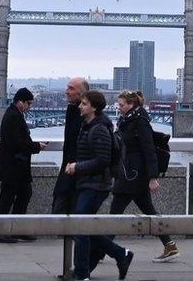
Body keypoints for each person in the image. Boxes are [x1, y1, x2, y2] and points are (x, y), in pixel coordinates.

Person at [65, 90, 133, 281]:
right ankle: (121, 254)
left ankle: (82, 273)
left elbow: (102, 160)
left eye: (84, 104)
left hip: (96, 185)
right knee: (84, 227)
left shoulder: (99, 129)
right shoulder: (88, 126)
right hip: (89, 183)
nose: (80, 106)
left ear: (94, 108)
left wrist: (77, 166)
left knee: (81, 227)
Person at [109, 90, 179, 262]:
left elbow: (149, 150)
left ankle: (100, 249)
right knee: (148, 211)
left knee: (114, 212)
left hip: (133, 175)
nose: (119, 108)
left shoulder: (139, 121)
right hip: (130, 173)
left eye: (122, 104)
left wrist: (153, 177)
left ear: (131, 104)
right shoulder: (128, 119)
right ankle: (170, 245)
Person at [0, 87, 47, 243]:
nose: (29, 107)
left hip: (18, 166)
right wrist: (37, 147)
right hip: (13, 166)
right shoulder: (13, 116)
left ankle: (16, 229)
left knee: (24, 194)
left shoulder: (15, 114)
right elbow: (17, 142)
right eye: (28, 103)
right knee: (6, 198)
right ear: (20, 101)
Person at [53, 77, 89, 214]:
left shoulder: (86, 116)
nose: (66, 91)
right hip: (68, 169)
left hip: (78, 173)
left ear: (82, 94)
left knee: (62, 212)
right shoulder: (72, 110)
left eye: (71, 88)